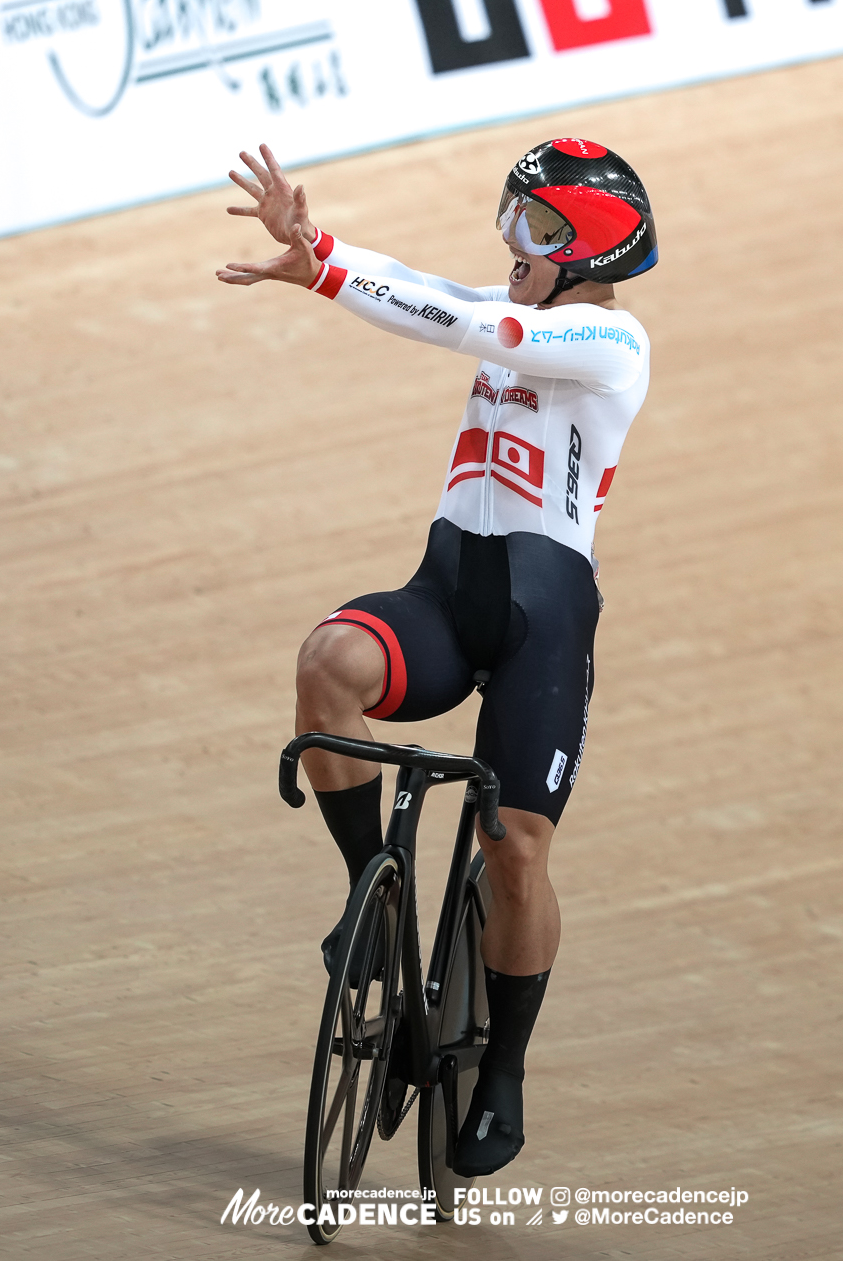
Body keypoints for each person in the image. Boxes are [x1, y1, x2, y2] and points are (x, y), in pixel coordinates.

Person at [218, 139, 657, 1178]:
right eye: (511, 215)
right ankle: (364, 897)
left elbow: (470, 319)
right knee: (328, 662)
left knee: (515, 853)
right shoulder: (525, 313)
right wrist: (315, 250)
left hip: (544, 623)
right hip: (447, 596)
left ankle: (502, 1067)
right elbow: (427, 291)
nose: (513, 242)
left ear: (588, 249)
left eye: (538, 230)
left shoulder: (608, 339)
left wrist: (324, 260)